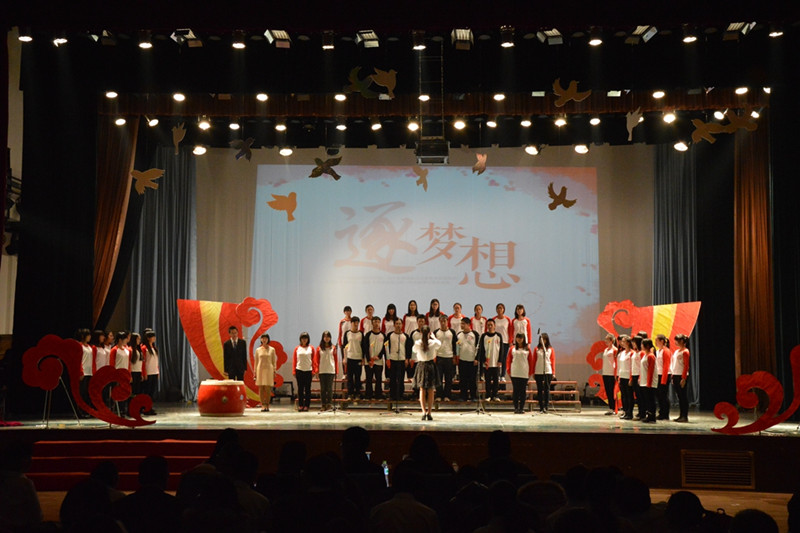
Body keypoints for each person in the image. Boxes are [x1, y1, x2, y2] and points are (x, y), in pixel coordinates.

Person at [412, 326, 441, 421]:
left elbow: (414, 350)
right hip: (430, 365)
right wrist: (434, 337)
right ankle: (429, 412)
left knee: (422, 389)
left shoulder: (418, 343)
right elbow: (439, 344)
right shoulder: (433, 342)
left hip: (421, 365)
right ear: (429, 333)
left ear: (421, 333)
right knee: (431, 389)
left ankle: (423, 412)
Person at [507, 333, 533, 413]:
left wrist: (530, 372)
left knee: (522, 391)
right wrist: (508, 370)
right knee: (515, 391)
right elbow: (508, 360)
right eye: (518, 338)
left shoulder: (527, 349)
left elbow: (530, 361)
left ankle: (521, 408)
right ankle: (516, 408)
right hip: (514, 372)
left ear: (524, 339)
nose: (519, 339)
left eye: (521, 338)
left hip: (524, 372)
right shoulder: (512, 348)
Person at [385, 318, 408, 406]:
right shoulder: (390, 335)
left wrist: (407, 359)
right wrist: (387, 359)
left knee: (401, 379)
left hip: (402, 359)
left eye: (400, 324)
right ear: (394, 325)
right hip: (392, 359)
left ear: (402, 325)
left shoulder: (405, 336)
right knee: (392, 379)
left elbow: (408, 348)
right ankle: (392, 395)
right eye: (397, 324)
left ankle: (400, 395)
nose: (398, 325)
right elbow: (386, 347)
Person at [362, 316, 386, 400]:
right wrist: (369, 359)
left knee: (378, 379)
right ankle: (368, 396)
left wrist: (379, 356)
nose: (376, 324)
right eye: (375, 322)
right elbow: (365, 348)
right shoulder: (368, 335)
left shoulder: (383, 335)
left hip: (379, 361)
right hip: (369, 361)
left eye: (378, 322)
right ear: (372, 323)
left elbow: (385, 348)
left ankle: (378, 395)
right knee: (369, 379)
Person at [435, 314, 458, 402]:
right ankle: (439, 395)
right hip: (439, 357)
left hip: (449, 357)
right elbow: (433, 345)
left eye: (444, 321)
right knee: (438, 378)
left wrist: (454, 357)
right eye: (441, 321)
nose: (443, 323)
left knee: (448, 378)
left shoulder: (452, 332)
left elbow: (455, 345)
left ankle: (447, 396)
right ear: (439, 322)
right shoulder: (436, 332)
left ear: (447, 321)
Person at [478, 319, 502, 401]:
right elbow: (481, 349)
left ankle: (495, 395)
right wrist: (484, 360)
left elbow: (501, 349)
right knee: (487, 380)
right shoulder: (484, 336)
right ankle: (488, 395)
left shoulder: (498, 336)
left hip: (496, 362)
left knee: (496, 380)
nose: (490, 326)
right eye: (488, 325)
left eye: (491, 325)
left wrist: (500, 360)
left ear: (494, 326)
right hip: (487, 363)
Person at [314, 331, 338, 411]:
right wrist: (316, 370)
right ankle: (323, 404)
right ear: (323, 338)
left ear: (330, 338)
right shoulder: (319, 348)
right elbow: (316, 360)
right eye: (325, 336)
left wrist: (336, 370)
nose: (326, 338)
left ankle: (329, 404)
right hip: (322, 370)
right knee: (323, 389)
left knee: (329, 388)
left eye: (328, 336)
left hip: (331, 370)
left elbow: (335, 360)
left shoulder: (333, 348)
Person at [457, 318, 479, 401]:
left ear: (468, 324)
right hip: (462, 360)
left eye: (463, 324)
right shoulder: (459, 334)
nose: (461, 325)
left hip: (472, 361)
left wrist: (476, 359)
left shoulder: (475, 334)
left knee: (472, 380)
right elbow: (457, 347)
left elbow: (478, 348)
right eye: (461, 323)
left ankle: (473, 396)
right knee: (463, 380)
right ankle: (463, 396)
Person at [532, 332, 555, 413]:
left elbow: (552, 361)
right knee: (539, 389)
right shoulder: (536, 349)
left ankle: (546, 406)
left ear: (547, 340)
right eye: (541, 339)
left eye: (544, 339)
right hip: (538, 371)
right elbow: (534, 361)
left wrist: (553, 372)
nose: (543, 341)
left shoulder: (550, 349)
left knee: (546, 389)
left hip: (548, 370)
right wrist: (533, 372)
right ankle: (541, 407)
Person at [671, 334, 691, 422]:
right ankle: (681, 415)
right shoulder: (676, 351)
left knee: (683, 396)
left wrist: (683, 378)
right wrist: (672, 376)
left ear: (682, 341)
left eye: (677, 340)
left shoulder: (685, 351)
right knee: (679, 396)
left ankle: (684, 416)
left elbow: (686, 365)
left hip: (681, 375)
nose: (675, 342)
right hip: (676, 375)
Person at [255, 333, 277, 411]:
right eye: (263, 338)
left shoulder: (272, 349)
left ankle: (267, 404)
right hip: (260, 370)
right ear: (261, 340)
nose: (264, 340)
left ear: (268, 340)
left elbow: (274, 361)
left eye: (266, 338)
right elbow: (256, 362)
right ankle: (263, 404)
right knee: (261, 388)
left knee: (268, 388)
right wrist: (255, 372)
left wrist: (274, 371)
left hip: (269, 370)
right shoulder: (258, 350)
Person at [343, 317, 364, 399]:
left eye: (357, 323)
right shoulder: (347, 333)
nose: (356, 324)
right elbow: (344, 347)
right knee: (350, 377)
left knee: (358, 377)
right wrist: (345, 358)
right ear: (351, 323)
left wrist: (363, 358)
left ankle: (358, 393)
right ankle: (350, 394)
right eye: (354, 322)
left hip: (358, 358)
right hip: (350, 358)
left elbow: (363, 347)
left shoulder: (361, 334)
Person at [293, 332, 314, 411]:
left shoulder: (311, 348)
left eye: (305, 338)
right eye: (303, 338)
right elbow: (295, 360)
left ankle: (307, 405)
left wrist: (314, 371)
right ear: (300, 339)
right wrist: (294, 371)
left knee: (308, 389)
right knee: (300, 389)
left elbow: (314, 360)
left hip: (308, 370)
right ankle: (301, 405)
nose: (304, 340)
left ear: (308, 339)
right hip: (299, 370)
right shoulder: (297, 348)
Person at [77, 328, 95, 417]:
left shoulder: (90, 347)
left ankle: (87, 411)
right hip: (83, 372)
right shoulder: (80, 346)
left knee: (88, 393)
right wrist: (81, 372)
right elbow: (78, 360)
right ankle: (80, 412)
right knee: (82, 393)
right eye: (88, 335)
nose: (89, 337)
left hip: (90, 372)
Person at [142, 330, 159, 415]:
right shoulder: (144, 348)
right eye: (152, 336)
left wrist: (158, 371)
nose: (154, 338)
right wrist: (144, 373)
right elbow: (143, 362)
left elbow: (156, 361)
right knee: (147, 391)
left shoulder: (154, 348)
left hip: (154, 372)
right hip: (148, 372)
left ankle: (150, 407)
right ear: (148, 338)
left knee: (152, 391)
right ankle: (145, 408)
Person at [655, 334, 672, 420]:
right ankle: (661, 412)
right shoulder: (658, 351)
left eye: (657, 340)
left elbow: (666, 365)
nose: (655, 342)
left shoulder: (666, 351)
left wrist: (663, 379)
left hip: (664, 375)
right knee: (659, 395)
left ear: (662, 341)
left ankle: (665, 414)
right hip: (658, 374)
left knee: (663, 395)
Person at [641, 338, 658, 423]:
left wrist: (649, 382)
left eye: (642, 344)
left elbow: (651, 370)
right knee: (647, 399)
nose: (641, 346)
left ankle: (652, 416)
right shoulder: (645, 355)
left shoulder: (651, 356)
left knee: (650, 399)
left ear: (647, 346)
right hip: (644, 380)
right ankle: (649, 415)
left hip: (649, 382)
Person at [493, 304, 512, 382]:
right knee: (496, 358)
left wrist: (510, 341)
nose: (499, 309)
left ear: (503, 309)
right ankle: (497, 375)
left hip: (505, 342)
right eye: (498, 308)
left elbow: (510, 331)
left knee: (504, 359)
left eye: (501, 308)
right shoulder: (494, 319)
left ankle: (503, 375)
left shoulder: (507, 319)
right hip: (496, 342)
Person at [616, 335, 633, 420]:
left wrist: (631, 378)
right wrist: (619, 377)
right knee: (624, 395)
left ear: (628, 343)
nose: (622, 343)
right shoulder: (621, 353)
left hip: (628, 377)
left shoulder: (632, 353)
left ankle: (630, 413)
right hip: (622, 376)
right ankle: (625, 411)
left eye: (624, 341)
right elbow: (619, 366)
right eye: (622, 341)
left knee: (629, 395)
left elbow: (632, 366)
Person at [601, 333, 617, 415]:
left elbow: (616, 362)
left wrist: (616, 373)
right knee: (608, 391)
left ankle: (614, 408)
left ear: (611, 341)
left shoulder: (614, 350)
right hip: (605, 373)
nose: (605, 341)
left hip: (611, 373)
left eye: (607, 339)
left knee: (612, 391)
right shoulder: (606, 350)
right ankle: (610, 408)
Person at [630, 335, 643, 420]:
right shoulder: (635, 352)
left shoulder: (641, 353)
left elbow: (642, 366)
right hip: (634, 375)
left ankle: (642, 413)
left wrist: (640, 377)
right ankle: (640, 412)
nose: (633, 344)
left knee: (640, 396)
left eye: (634, 342)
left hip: (639, 375)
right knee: (637, 396)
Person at [337, 306, 353, 378]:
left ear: (351, 312)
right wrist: (340, 343)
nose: (348, 312)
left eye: (349, 311)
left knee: (351, 359)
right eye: (346, 311)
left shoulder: (352, 320)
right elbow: (340, 332)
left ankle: (350, 374)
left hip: (351, 342)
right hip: (344, 343)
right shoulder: (342, 321)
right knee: (344, 358)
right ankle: (344, 373)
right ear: (344, 312)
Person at [129, 332, 144, 398]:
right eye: (138, 339)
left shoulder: (139, 349)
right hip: (133, 371)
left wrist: (142, 373)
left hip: (138, 371)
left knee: (137, 390)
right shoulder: (131, 349)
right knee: (133, 389)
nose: (139, 340)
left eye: (140, 339)